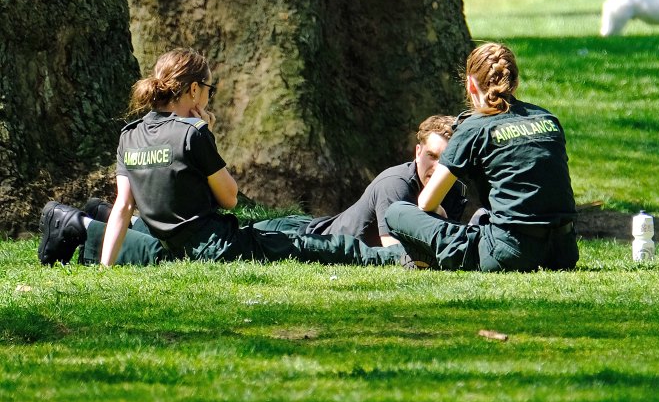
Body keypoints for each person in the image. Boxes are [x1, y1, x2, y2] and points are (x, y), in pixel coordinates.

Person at [38, 47, 401, 267]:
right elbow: (229, 198)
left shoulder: (129, 135)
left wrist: (105, 269)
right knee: (303, 245)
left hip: (171, 238)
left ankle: (85, 228)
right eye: (209, 89)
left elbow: (122, 207)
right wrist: (206, 136)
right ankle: (393, 257)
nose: (210, 97)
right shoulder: (192, 134)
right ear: (194, 89)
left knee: (281, 228)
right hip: (214, 246)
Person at [383, 42, 579, 271]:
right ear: (514, 83)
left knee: (397, 212)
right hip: (563, 251)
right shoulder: (547, 119)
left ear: (469, 84)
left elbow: (426, 202)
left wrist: (441, 216)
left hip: (511, 252)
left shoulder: (475, 126)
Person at [253, 115, 468, 247]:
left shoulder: (455, 191)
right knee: (243, 237)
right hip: (310, 237)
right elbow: (394, 251)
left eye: (447, 159)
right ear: (418, 152)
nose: (438, 167)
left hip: (318, 228)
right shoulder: (396, 184)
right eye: (432, 156)